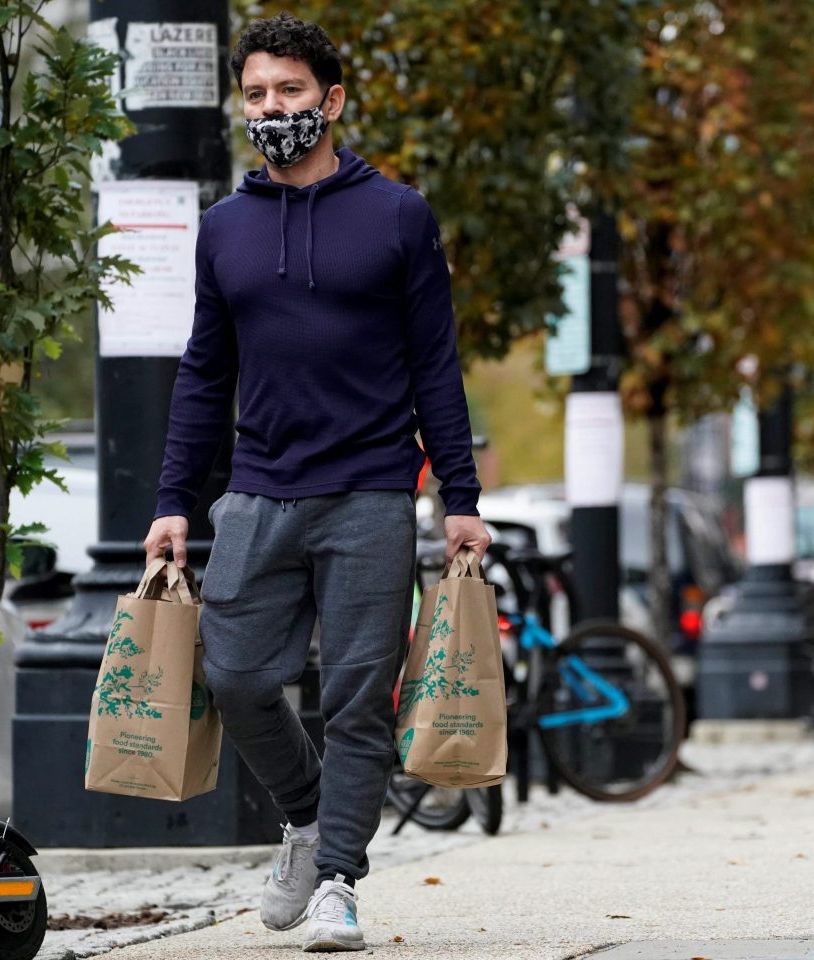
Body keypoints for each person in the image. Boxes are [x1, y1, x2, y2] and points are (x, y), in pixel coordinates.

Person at [141, 13, 489, 953]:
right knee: (238, 675)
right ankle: (304, 818)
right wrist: (174, 501)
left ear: (330, 100)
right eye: (256, 94)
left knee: (356, 695)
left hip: (373, 491)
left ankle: (339, 879)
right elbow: (205, 372)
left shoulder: (398, 217)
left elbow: (435, 369)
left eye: (290, 92)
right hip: (257, 488)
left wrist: (461, 500)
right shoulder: (225, 230)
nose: (272, 109)